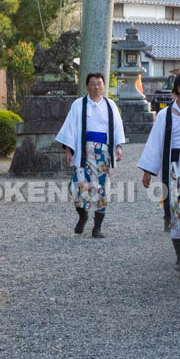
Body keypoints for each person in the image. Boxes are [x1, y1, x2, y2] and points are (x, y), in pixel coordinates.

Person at [138, 69, 180, 278]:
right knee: (175, 209)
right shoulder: (165, 115)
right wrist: (148, 171)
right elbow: (155, 144)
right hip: (173, 168)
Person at [56, 72, 126, 238]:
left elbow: (117, 127)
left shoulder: (110, 105)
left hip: (103, 152)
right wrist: (68, 150)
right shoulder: (78, 105)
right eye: (93, 84)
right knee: (76, 186)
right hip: (82, 151)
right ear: (87, 86)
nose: (96, 87)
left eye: (99, 84)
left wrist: (118, 147)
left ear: (103, 86)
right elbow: (70, 127)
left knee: (103, 188)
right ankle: (82, 214)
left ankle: (97, 226)